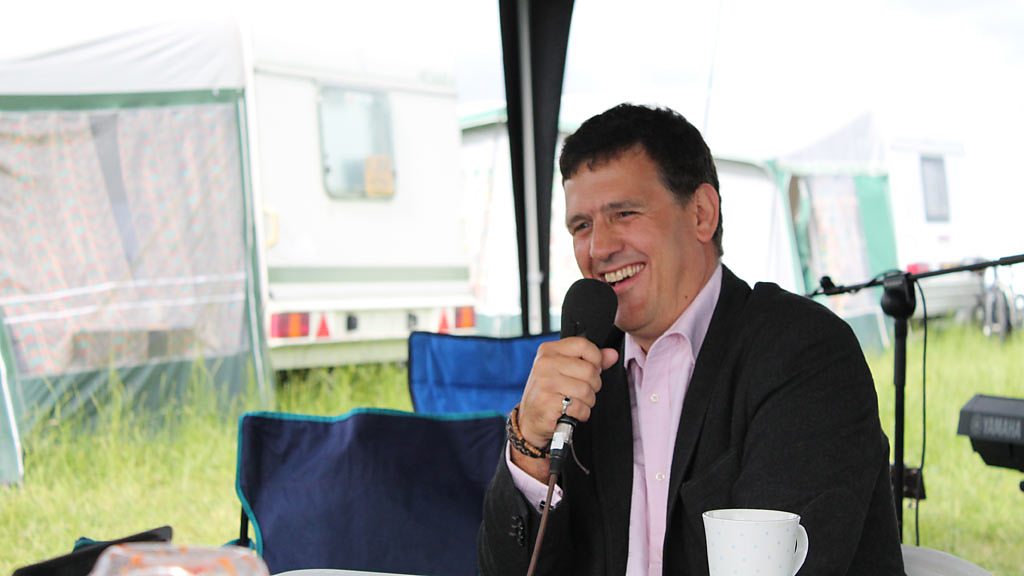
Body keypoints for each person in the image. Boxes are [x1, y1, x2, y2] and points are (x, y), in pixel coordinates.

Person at [477, 104, 904, 575]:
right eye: (582, 226)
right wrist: (530, 447)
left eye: (624, 213)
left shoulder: (803, 352)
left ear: (702, 213)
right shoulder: (587, 372)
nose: (599, 248)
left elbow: (777, 566)